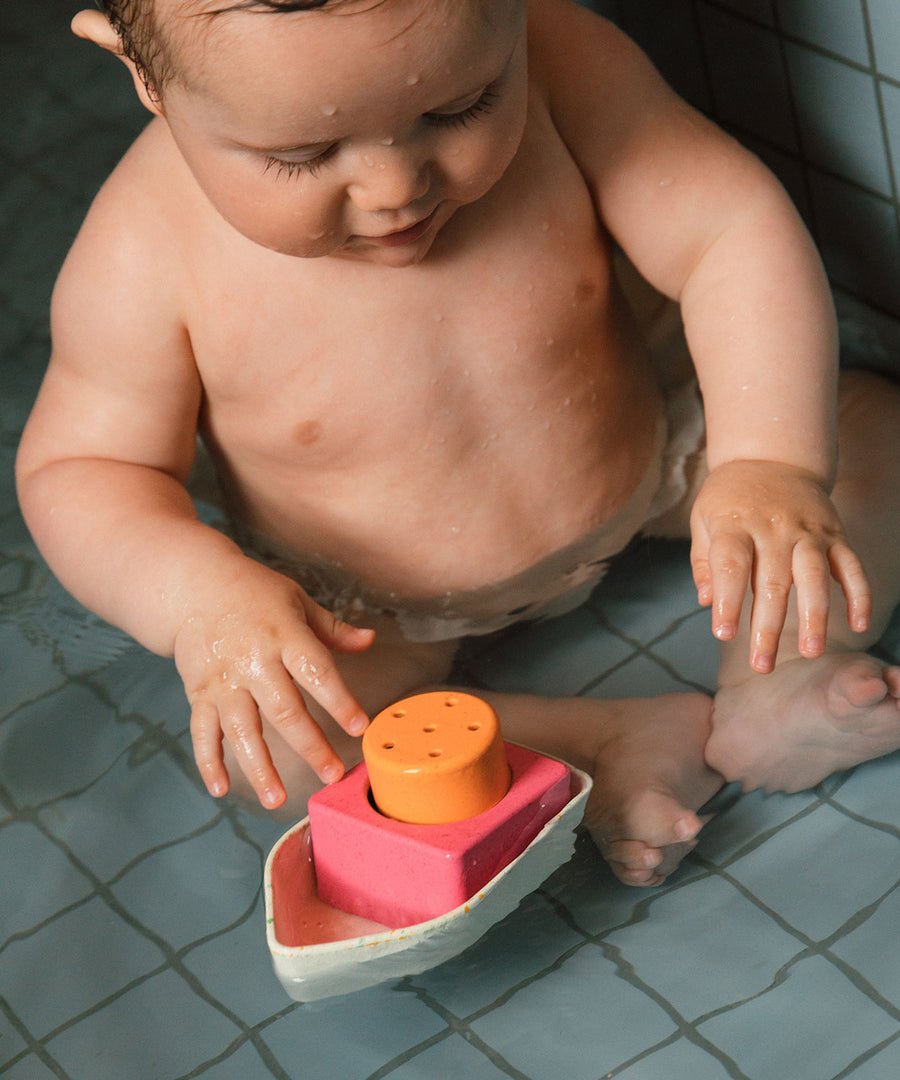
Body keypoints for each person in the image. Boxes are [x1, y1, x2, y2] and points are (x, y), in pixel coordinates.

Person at [16, 0, 900, 888]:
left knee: (867, 431)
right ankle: (591, 747)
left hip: (658, 464)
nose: (395, 187)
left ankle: (783, 674)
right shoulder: (144, 251)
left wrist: (765, 462)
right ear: (141, 71)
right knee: (284, 759)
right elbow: (86, 469)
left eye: (460, 108)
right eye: (302, 155)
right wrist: (202, 601)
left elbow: (725, 231)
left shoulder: (565, 60)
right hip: (366, 610)